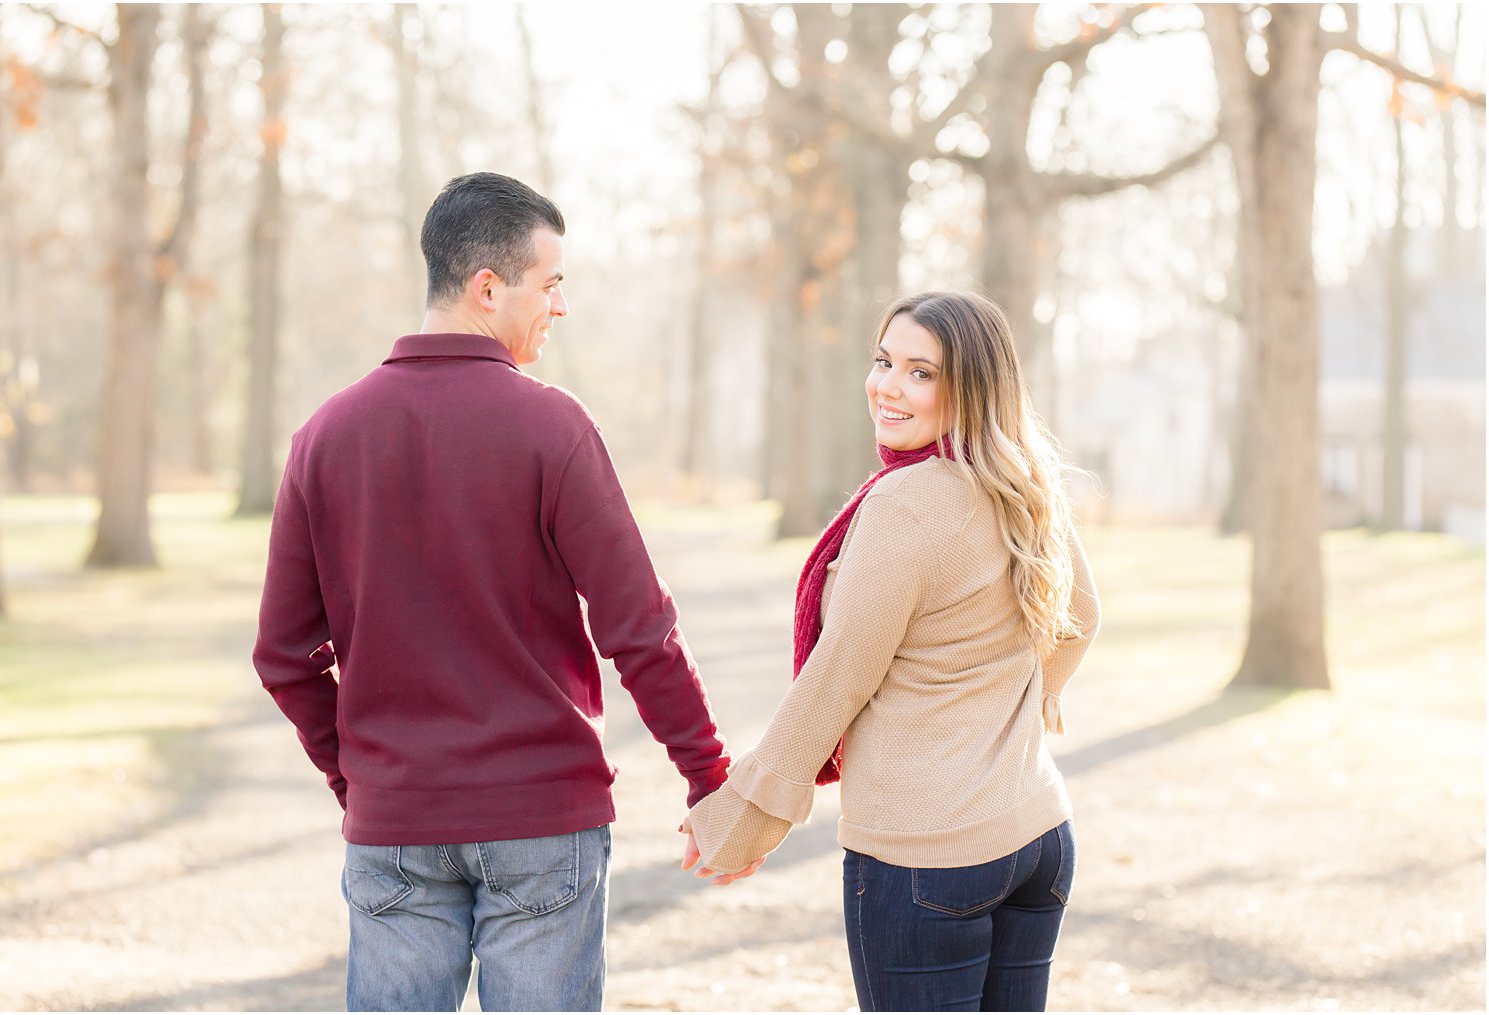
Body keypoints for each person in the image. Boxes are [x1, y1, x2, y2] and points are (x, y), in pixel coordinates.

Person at [253, 171, 731, 1013]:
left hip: (396, 821)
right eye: (550, 284)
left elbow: (284, 656)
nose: (560, 305)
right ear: (487, 287)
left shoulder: (323, 437)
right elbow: (640, 630)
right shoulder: (553, 429)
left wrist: (359, 779)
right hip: (543, 821)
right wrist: (706, 773)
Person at [682, 290, 1100, 1012]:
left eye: (921, 372)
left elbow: (836, 679)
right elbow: (1081, 617)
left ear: (970, 386)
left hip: (928, 861)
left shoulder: (906, 504)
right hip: (1037, 832)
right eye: (884, 362)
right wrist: (1015, 713)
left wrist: (743, 818)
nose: (888, 386)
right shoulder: (1023, 481)